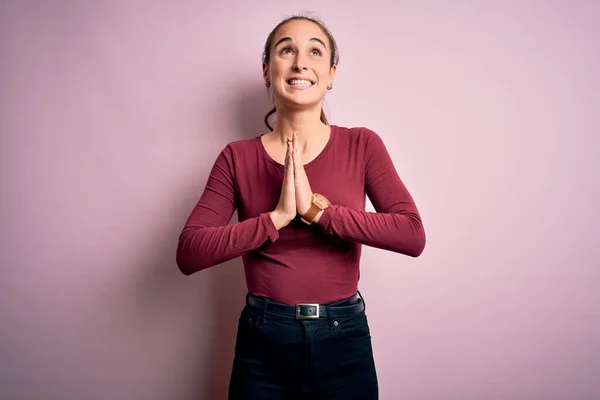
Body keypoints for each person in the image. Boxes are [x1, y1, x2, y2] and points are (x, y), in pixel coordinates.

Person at [176, 14, 426, 400]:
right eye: (286, 49)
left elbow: (412, 235)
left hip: (344, 340)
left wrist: (319, 214)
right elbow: (189, 252)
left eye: (314, 51)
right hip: (264, 344)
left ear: (330, 74)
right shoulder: (236, 158)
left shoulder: (362, 145)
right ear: (266, 71)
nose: (300, 62)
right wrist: (277, 217)